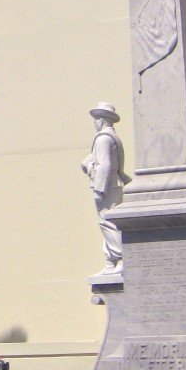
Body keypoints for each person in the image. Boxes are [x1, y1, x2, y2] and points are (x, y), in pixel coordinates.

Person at [81, 103, 126, 273]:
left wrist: (100, 189)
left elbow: (105, 165)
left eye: (95, 121)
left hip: (107, 186)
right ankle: (111, 262)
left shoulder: (103, 139)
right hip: (112, 184)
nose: (94, 124)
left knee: (108, 223)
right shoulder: (110, 138)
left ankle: (120, 259)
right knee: (105, 223)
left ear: (101, 120)